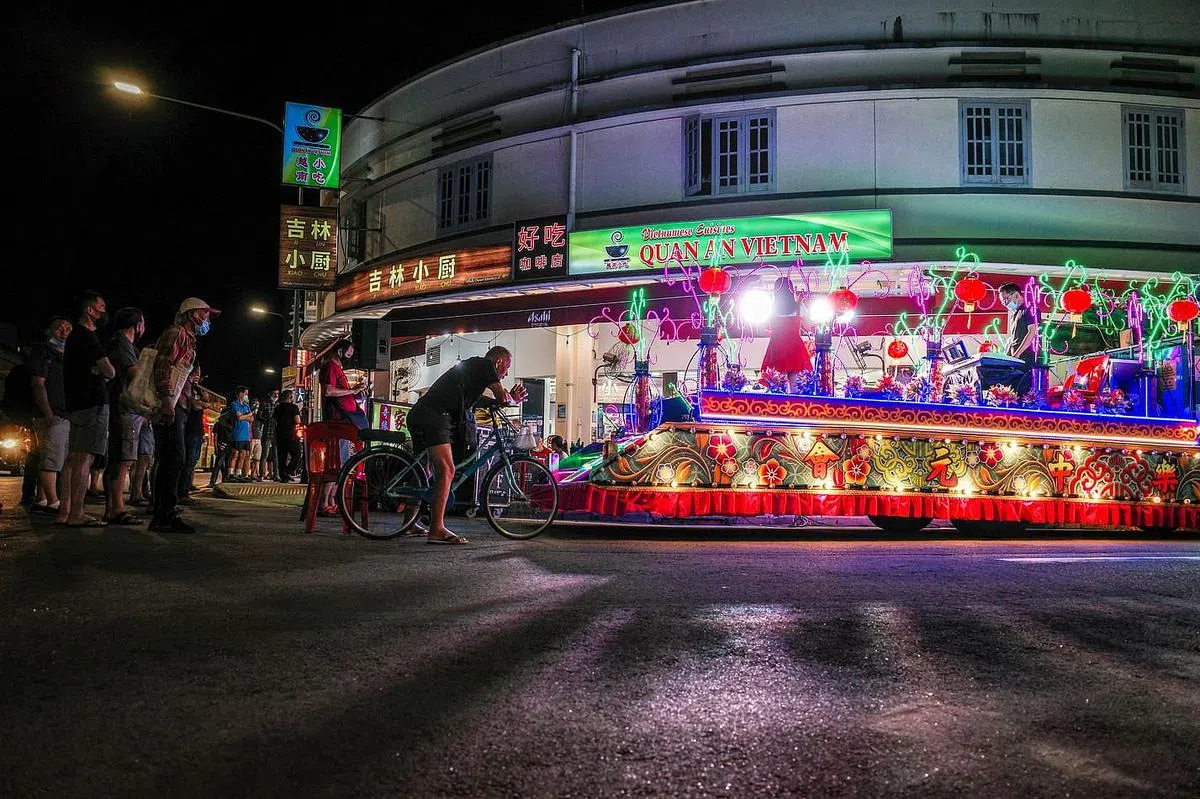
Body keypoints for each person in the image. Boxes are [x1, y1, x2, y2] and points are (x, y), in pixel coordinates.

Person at [406, 345, 527, 545]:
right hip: (435, 416)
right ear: (497, 362)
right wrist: (512, 398)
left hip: (422, 413)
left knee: (424, 469)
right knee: (446, 469)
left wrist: (499, 402)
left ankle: (409, 522)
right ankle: (436, 529)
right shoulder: (485, 365)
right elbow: (501, 397)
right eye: (507, 367)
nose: (506, 373)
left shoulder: (473, 372)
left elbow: (480, 400)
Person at [149, 297, 218, 534]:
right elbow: (163, 364)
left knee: (172, 457)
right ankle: (163, 516)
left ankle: (164, 511)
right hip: (172, 403)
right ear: (192, 315)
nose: (207, 320)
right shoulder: (177, 333)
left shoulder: (189, 340)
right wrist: (167, 397)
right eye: (205, 314)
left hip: (180, 402)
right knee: (174, 456)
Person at [57, 291, 115, 528]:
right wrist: (103, 371)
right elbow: (109, 370)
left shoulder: (73, 338)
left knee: (72, 458)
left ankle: (65, 511)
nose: (103, 311)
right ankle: (77, 514)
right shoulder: (88, 336)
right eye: (101, 307)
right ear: (90, 310)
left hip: (75, 403)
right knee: (84, 458)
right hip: (93, 401)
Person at [101, 307, 147, 525]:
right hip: (125, 408)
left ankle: (112, 508)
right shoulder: (124, 344)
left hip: (119, 407)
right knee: (125, 459)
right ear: (137, 325)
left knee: (118, 458)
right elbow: (135, 374)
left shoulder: (116, 342)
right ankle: (117, 509)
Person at [26, 316, 72, 515]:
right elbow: (38, 383)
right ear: (49, 331)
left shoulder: (67, 354)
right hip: (52, 414)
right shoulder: (44, 351)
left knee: (51, 456)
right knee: (52, 460)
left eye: (68, 328)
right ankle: (54, 501)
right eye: (59, 328)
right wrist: (48, 413)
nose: (64, 331)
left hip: (62, 413)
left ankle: (42, 499)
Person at [318, 340, 369, 513]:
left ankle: (331, 500)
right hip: (337, 421)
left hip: (344, 422)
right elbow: (328, 391)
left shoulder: (337, 368)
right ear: (340, 351)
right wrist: (352, 390)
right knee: (336, 463)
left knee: (342, 461)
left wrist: (354, 392)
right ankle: (324, 504)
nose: (350, 358)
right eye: (349, 354)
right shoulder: (330, 367)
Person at [761, 276, 813, 393]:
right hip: (795, 348)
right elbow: (809, 327)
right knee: (796, 386)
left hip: (777, 348)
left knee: (778, 386)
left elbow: (767, 328)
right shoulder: (799, 307)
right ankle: (797, 408)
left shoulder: (771, 307)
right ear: (791, 290)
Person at [999, 282, 1037, 393]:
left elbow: (1031, 333)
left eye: (1006, 300)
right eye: (1003, 302)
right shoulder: (1014, 315)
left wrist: (1017, 354)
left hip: (1026, 360)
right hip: (1015, 361)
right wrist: (1006, 358)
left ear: (1016, 294)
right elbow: (1013, 339)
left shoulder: (1030, 309)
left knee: (1023, 391)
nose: (1005, 304)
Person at [273, 389, 303, 482]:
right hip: (291, 434)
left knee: (282, 456)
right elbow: (297, 420)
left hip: (280, 434)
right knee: (297, 453)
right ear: (290, 397)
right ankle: (289, 471)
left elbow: (274, 420)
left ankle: (283, 476)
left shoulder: (278, 408)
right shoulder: (293, 407)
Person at [228, 386, 254, 482]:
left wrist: (244, 416)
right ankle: (230, 473)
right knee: (235, 454)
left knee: (243, 454)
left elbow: (252, 418)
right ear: (240, 393)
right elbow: (238, 417)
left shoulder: (246, 406)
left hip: (246, 435)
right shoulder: (234, 404)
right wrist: (247, 416)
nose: (246, 395)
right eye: (245, 393)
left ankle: (238, 474)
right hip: (237, 433)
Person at [208, 402, 235, 488]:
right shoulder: (219, 424)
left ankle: (224, 480)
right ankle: (213, 481)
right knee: (219, 464)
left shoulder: (231, 424)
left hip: (228, 446)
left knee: (225, 465)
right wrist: (215, 447)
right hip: (222, 446)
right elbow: (215, 436)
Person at [258, 389, 279, 481]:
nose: (276, 395)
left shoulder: (279, 405)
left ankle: (276, 475)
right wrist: (266, 420)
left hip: (276, 433)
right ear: (270, 394)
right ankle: (262, 475)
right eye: (274, 394)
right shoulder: (265, 404)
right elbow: (259, 416)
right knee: (264, 454)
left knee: (276, 455)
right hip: (267, 432)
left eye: (277, 394)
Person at [248, 397, 264, 481]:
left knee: (257, 458)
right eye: (254, 403)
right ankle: (246, 474)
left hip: (259, 438)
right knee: (248, 457)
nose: (256, 405)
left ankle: (254, 474)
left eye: (257, 404)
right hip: (251, 438)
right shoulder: (249, 414)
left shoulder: (260, 415)